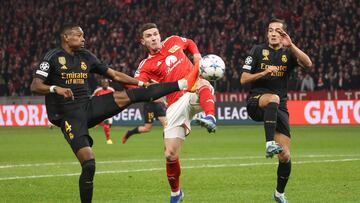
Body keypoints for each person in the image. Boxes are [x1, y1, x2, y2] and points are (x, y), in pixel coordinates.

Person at [30, 23, 199, 203]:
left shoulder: (86, 56)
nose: (83, 39)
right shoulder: (52, 57)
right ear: (66, 37)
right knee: (89, 164)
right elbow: (35, 86)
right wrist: (56, 89)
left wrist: (141, 84)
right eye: (79, 36)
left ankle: (182, 84)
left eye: (83, 35)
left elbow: (115, 75)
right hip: (69, 116)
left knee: (128, 96)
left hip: (88, 107)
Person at [134, 23, 216, 203]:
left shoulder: (174, 41)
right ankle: (176, 193)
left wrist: (196, 55)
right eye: (149, 36)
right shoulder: (147, 65)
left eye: (155, 34)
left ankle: (210, 116)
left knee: (202, 83)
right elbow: (136, 84)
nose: (154, 38)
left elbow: (190, 43)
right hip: (174, 104)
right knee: (170, 154)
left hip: (193, 91)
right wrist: (148, 88)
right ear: (143, 41)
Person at [240, 18, 312, 203]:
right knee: (273, 98)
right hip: (257, 101)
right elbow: (243, 79)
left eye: (278, 31)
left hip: (279, 107)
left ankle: (279, 193)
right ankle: (268, 143)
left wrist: (292, 45)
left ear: (283, 35)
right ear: (267, 33)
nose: (273, 33)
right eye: (270, 30)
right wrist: (263, 73)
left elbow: (308, 64)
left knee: (285, 156)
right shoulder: (256, 50)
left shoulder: (289, 53)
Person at [92, 78, 115, 144]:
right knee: (106, 123)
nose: (105, 84)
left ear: (108, 83)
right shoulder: (97, 91)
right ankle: (108, 140)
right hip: (101, 110)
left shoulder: (111, 90)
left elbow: (115, 98)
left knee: (109, 124)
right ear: (101, 84)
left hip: (110, 110)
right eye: (103, 83)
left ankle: (99, 123)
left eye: (106, 83)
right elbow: (92, 98)